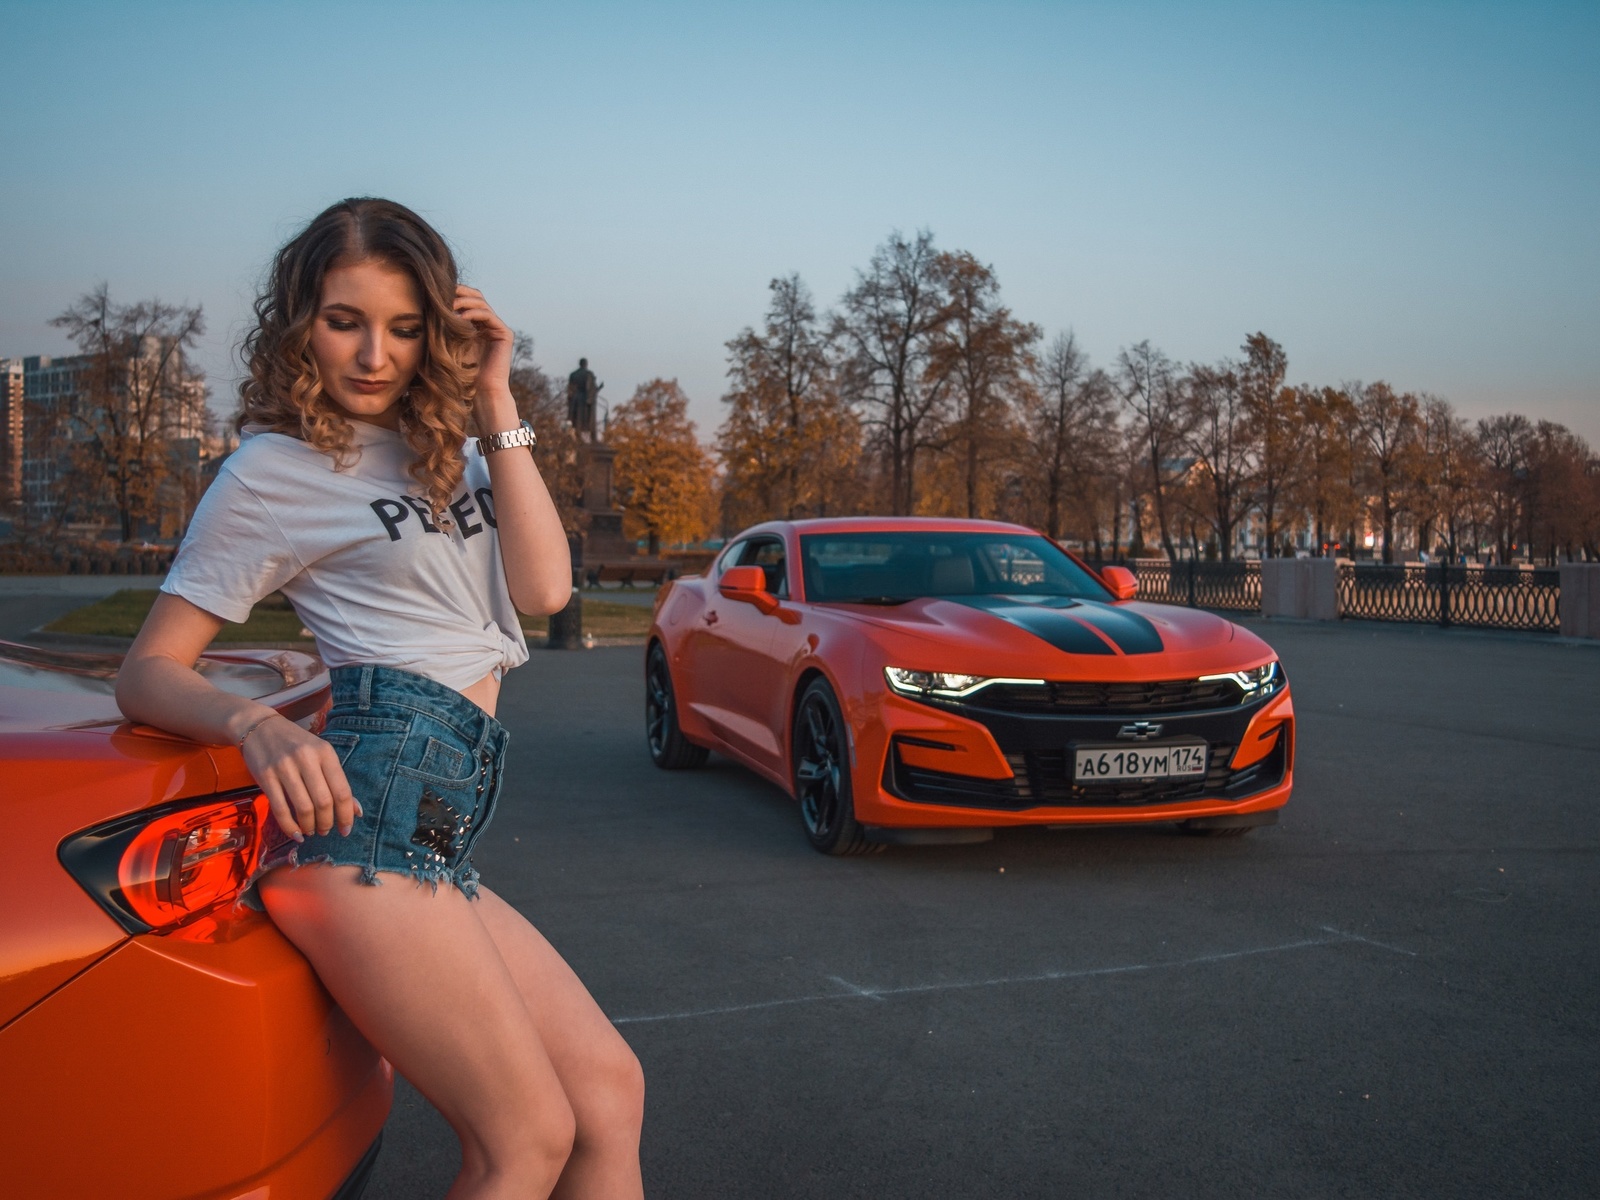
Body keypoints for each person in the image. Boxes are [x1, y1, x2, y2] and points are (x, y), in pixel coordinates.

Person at [115, 198, 645, 1200]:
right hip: (363, 820)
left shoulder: (455, 448)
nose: (373, 354)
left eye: (405, 328)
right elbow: (147, 670)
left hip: (436, 826)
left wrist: (496, 399)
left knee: (609, 1097)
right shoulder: (272, 472)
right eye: (343, 320)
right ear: (298, 324)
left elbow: (544, 593)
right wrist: (255, 724)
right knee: (523, 1139)